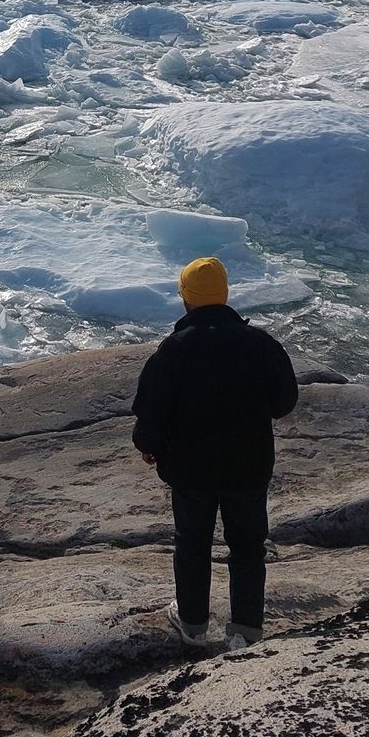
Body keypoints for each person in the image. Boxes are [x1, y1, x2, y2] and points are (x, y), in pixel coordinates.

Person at [132, 255, 299, 646]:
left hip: (191, 470)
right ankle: (246, 630)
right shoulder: (261, 344)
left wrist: (148, 446)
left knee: (193, 543)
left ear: (185, 298)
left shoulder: (173, 349)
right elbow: (285, 401)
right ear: (224, 295)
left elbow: (152, 411)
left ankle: (192, 625)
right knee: (247, 547)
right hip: (249, 465)